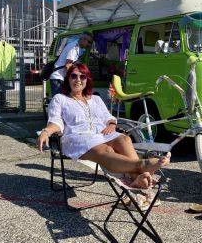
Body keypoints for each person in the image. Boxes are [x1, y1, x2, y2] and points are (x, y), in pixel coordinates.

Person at [38, 63, 171, 189]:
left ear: (87, 80)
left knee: (124, 139)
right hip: (77, 138)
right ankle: (143, 165)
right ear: (68, 79)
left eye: (82, 76)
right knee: (107, 150)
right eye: (74, 76)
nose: (78, 80)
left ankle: (138, 179)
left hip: (100, 135)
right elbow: (56, 121)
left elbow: (108, 117)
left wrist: (112, 124)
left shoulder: (95, 99)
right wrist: (46, 132)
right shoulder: (61, 99)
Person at [49, 31, 94, 96]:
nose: (90, 45)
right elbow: (68, 66)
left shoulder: (79, 49)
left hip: (60, 77)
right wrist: (71, 80)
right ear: (83, 39)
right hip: (58, 77)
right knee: (59, 100)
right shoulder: (74, 48)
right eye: (89, 42)